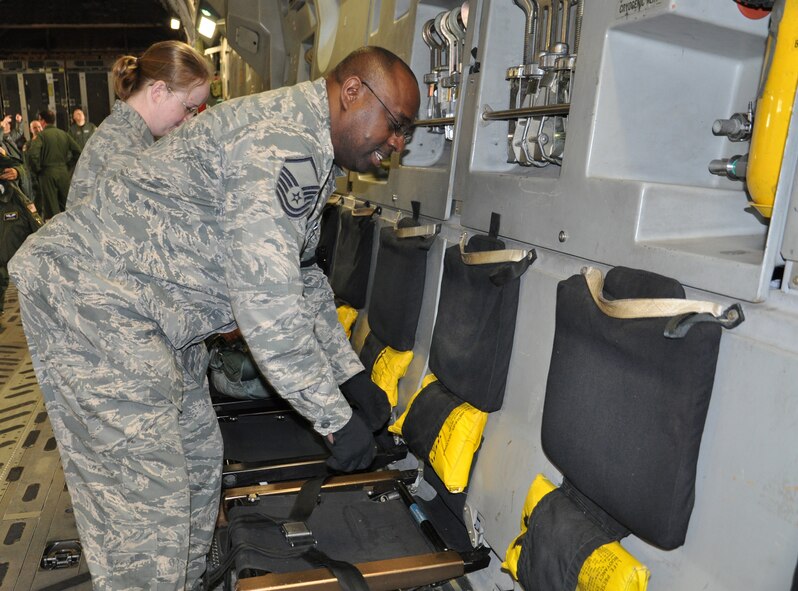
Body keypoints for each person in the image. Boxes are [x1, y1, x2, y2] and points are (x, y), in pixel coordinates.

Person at [9, 45, 419, 590]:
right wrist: (333, 418)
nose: (398, 143)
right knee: (147, 511)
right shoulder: (282, 142)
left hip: (156, 316)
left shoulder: (310, 148)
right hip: (94, 306)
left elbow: (301, 277)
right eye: (396, 124)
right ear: (352, 92)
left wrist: (349, 377)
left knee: (200, 464)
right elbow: (266, 305)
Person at [67, 40, 211, 209]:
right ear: (158, 92)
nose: (189, 120)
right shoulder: (127, 155)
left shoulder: (123, 134)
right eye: (189, 108)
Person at [26, 109, 81, 219]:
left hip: (47, 174)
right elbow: (78, 152)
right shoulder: (64, 134)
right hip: (63, 173)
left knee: (51, 210)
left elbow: (32, 154)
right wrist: (67, 165)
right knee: (67, 206)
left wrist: (38, 170)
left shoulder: (41, 136)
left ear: (42, 121)